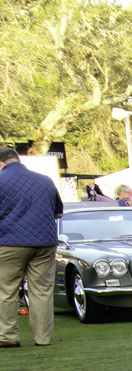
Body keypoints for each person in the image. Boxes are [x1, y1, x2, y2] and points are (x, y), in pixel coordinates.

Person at [0, 145, 63, 348]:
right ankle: (43, 338)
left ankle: (8, 337)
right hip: (45, 243)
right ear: (18, 159)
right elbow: (58, 213)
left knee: (6, 291)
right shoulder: (45, 180)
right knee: (42, 292)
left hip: (9, 242)